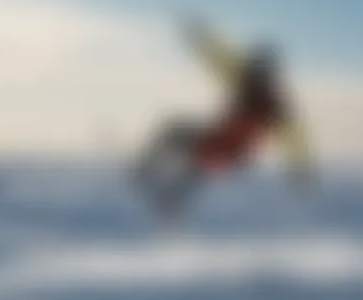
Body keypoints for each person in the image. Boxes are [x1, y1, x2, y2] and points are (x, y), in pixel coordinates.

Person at [132, 16, 316, 221]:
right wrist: (199, 36)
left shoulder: (272, 105)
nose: (252, 73)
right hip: (221, 144)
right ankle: (165, 194)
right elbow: (221, 59)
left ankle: (148, 178)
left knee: (181, 140)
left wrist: (301, 170)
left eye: (256, 69)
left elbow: (295, 140)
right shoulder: (249, 85)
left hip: (229, 151)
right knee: (187, 149)